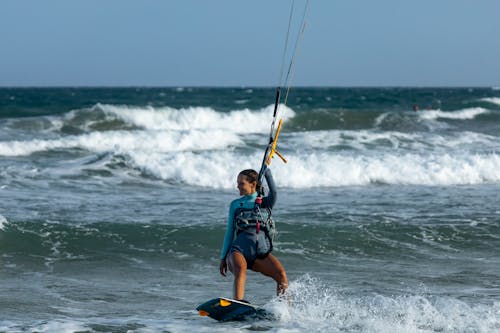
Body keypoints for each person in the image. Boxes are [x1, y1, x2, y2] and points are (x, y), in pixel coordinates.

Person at [219, 167, 288, 301]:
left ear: (253, 184)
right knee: (240, 269)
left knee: (281, 275)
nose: (237, 186)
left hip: (260, 253)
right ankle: (238, 303)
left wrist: (267, 172)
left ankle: (284, 309)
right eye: (237, 183)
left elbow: (274, 192)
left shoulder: (265, 203)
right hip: (238, 250)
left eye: (241, 183)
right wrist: (223, 258)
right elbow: (230, 232)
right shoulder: (235, 205)